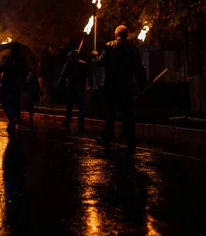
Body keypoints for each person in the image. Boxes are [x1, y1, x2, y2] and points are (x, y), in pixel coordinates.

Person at [92, 25, 147, 153]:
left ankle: (107, 137)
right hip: (127, 85)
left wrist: (94, 56)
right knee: (128, 113)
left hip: (112, 85)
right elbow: (139, 69)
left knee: (110, 113)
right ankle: (131, 139)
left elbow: (100, 62)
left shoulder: (109, 46)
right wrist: (141, 86)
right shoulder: (134, 49)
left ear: (116, 34)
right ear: (126, 35)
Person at [0, 46, 28, 133]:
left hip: (7, 84)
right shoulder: (22, 61)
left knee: (6, 102)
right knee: (15, 102)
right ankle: (16, 118)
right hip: (17, 85)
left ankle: (12, 118)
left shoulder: (9, 60)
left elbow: (1, 68)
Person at [60, 50, 91, 133]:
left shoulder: (68, 64)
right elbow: (89, 74)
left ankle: (67, 121)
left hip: (71, 87)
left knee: (69, 105)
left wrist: (62, 85)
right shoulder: (83, 65)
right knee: (81, 106)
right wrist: (89, 83)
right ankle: (81, 122)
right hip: (81, 87)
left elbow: (63, 75)